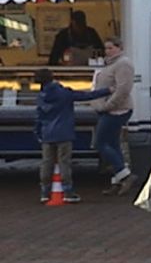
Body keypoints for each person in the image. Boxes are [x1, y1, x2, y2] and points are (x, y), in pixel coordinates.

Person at [33, 68, 110, 204]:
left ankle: (45, 192)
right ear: (53, 77)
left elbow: (39, 117)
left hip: (47, 133)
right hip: (64, 132)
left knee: (46, 163)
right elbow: (86, 96)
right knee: (64, 163)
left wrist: (38, 132)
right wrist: (107, 90)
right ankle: (68, 191)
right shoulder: (64, 93)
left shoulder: (41, 96)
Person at [91, 36, 137, 195]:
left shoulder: (123, 64)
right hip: (107, 109)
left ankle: (125, 174)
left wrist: (107, 106)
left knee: (100, 142)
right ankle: (118, 180)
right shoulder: (110, 64)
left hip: (117, 110)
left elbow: (123, 89)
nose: (107, 51)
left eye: (111, 48)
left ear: (119, 48)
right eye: (106, 48)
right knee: (113, 143)